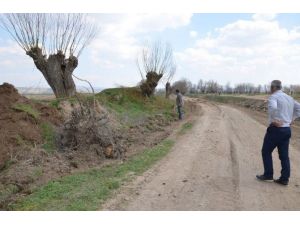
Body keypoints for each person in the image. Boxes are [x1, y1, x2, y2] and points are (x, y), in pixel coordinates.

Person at [256, 80, 300, 185]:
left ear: (273, 87)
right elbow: (299, 108)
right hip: (286, 130)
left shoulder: (274, 97)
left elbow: (273, 107)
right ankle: (284, 179)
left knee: (266, 151)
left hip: (276, 130)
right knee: (284, 155)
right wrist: (291, 119)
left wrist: (275, 119)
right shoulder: (289, 98)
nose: (270, 89)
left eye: (270, 87)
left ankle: (268, 175)